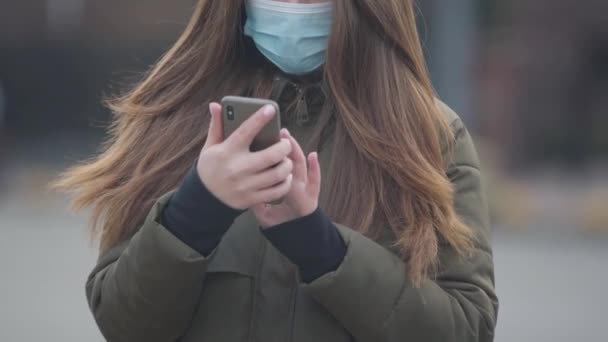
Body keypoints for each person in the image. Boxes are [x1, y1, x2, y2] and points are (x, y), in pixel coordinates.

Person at [56, 0, 498, 341]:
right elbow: (123, 324)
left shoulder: (429, 137)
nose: (291, 7)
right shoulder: (171, 116)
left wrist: (323, 247)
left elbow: (466, 328)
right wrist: (196, 210)